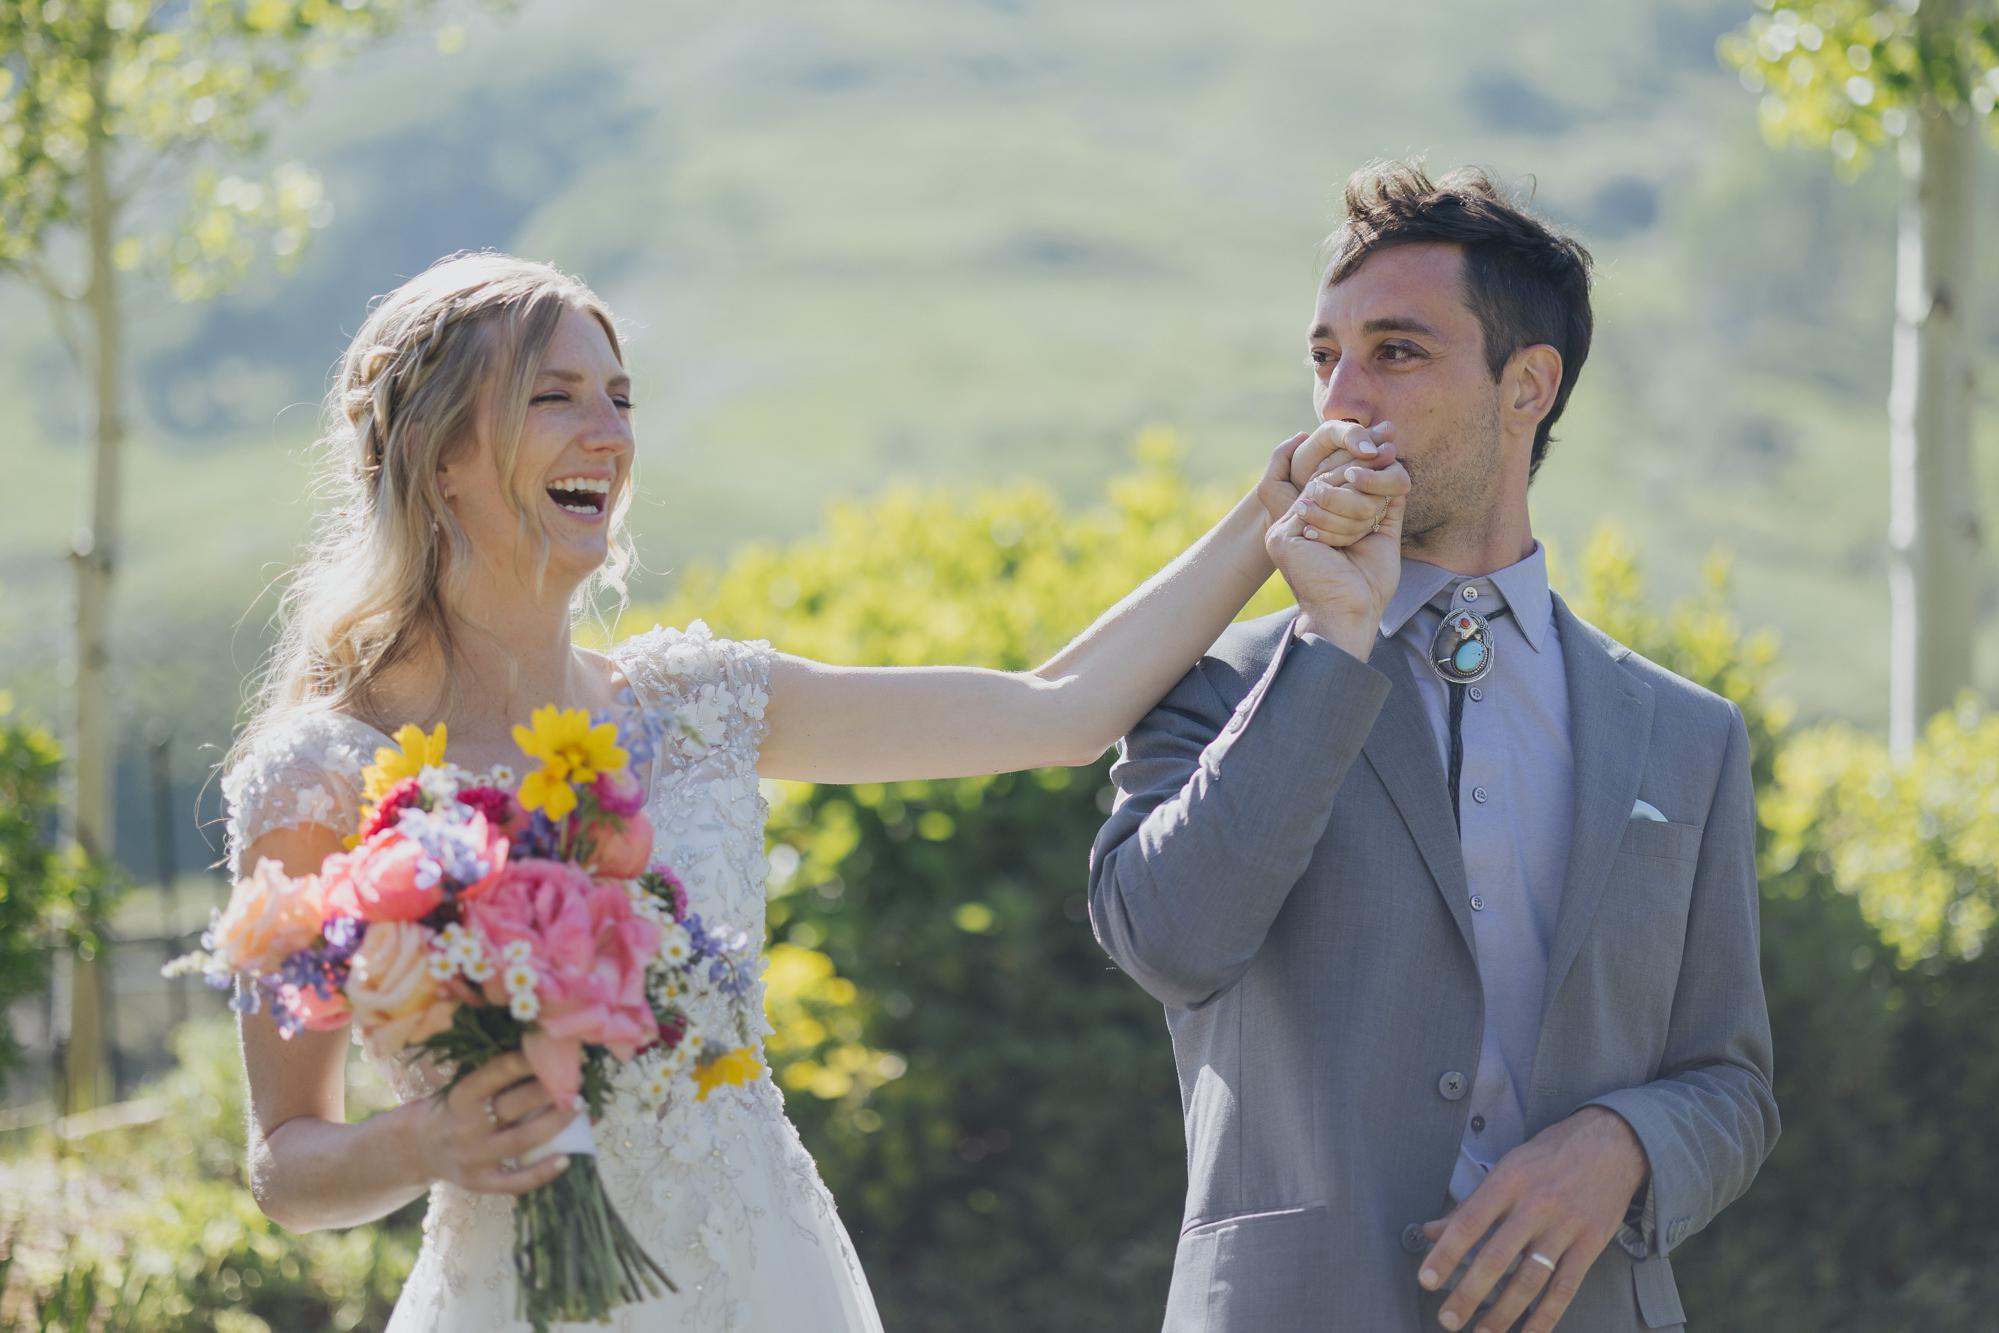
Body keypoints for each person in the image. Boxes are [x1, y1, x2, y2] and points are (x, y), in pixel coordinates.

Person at [221, 250, 1409, 1331]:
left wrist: (1270, 515)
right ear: (442, 456)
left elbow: (1059, 706)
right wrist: (424, 1138)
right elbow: (287, 1162)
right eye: (555, 396)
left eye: (620, 397)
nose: (609, 435)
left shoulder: (700, 704)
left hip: (773, 1287)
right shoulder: (320, 774)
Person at [1088, 162, 1779, 1333]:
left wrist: (1623, 1143)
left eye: (1394, 352)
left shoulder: (1687, 735)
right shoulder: (1211, 682)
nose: (1339, 402)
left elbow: (1731, 1082)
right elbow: (1171, 941)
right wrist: (1329, 645)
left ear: (1527, 387)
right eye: (1323, 357)